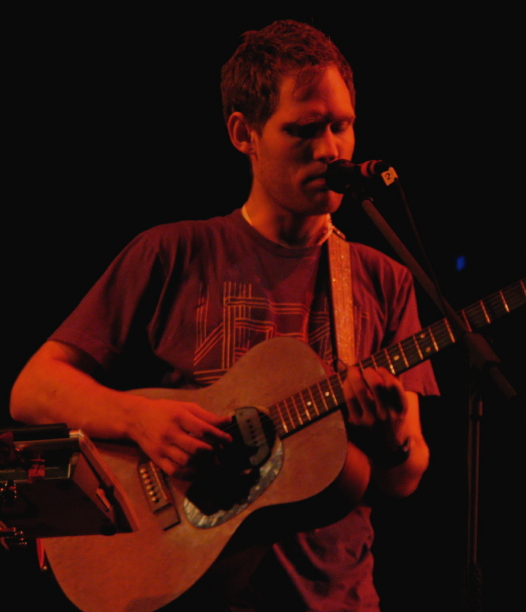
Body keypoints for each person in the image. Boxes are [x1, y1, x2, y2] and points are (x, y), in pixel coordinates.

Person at [10, 19, 438, 612]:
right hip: (192, 587)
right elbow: (33, 389)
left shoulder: (383, 278)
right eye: (303, 129)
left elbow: (403, 477)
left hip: (336, 599)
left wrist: (391, 444)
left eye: (342, 126)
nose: (330, 150)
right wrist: (139, 419)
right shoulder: (172, 253)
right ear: (245, 133)